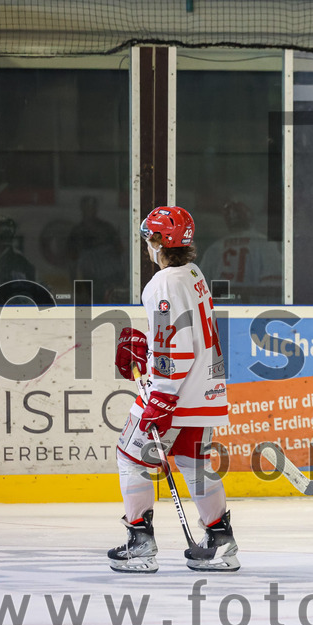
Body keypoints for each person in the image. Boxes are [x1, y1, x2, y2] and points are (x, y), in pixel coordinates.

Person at [108, 206, 240, 574]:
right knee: (195, 465)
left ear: (160, 242)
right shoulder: (193, 274)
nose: (147, 244)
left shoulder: (161, 284)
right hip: (203, 391)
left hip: (174, 394)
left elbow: (174, 347)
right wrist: (147, 346)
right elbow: (183, 335)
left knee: (129, 457)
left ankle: (140, 545)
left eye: (150, 237)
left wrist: (162, 396)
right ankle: (221, 542)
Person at [199, 200, 282, 304]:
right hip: (253, 311)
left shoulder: (215, 248)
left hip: (220, 308)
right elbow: (273, 286)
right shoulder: (264, 244)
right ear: (250, 217)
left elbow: (201, 287)